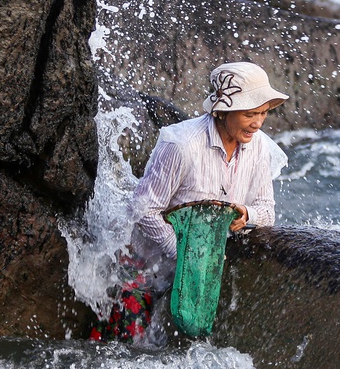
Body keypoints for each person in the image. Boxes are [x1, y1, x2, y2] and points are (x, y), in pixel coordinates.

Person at [90, 61, 289, 344]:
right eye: (249, 114)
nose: (258, 123)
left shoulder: (259, 147)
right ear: (222, 111)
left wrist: (246, 213)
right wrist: (185, 253)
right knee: (121, 355)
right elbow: (143, 209)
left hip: (198, 279)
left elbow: (267, 212)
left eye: (263, 113)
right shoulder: (180, 145)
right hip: (144, 266)